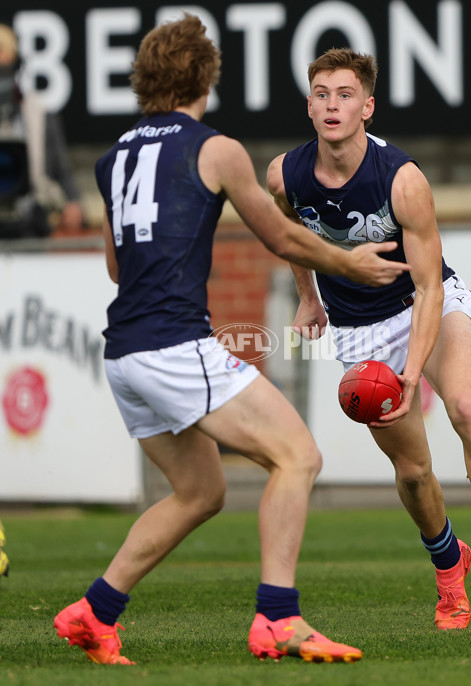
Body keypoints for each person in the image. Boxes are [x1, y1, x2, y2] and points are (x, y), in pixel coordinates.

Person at [52, 16, 408, 666]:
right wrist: (350, 262)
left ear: (146, 78)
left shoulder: (114, 157)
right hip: (171, 344)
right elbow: (279, 235)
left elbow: (115, 266)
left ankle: (95, 612)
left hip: (124, 355)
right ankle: (279, 618)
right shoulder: (215, 148)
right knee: (298, 455)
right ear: (205, 79)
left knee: (200, 492)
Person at [267, 48, 471, 632]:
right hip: (357, 329)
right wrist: (309, 296)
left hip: (425, 306)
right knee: (414, 472)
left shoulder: (403, 179)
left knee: (466, 407)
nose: (331, 104)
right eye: (321, 93)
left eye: (344, 94)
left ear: (367, 106)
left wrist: (413, 371)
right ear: (308, 105)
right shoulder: (282, 174)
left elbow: (429, 288)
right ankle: (449, 569)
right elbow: (291, 238)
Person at [0, 23, 83, 238]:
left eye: (2, 51)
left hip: (28, 221)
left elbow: (60, 167)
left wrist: (73, 202)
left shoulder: (36, 111)